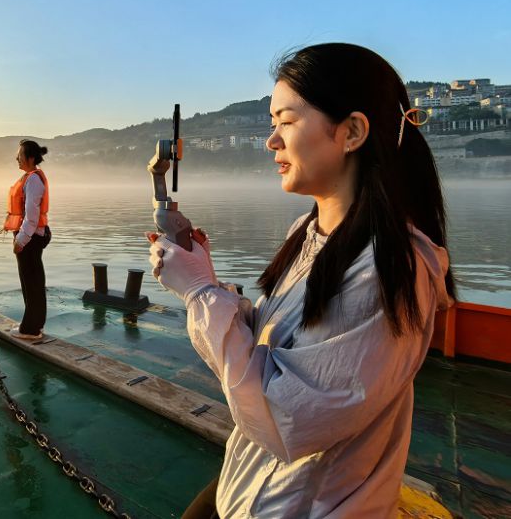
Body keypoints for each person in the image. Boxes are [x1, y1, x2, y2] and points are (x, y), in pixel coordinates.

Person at [148, 43, 455, 518]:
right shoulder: (307, 233)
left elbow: (286, 420)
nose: (271, 141)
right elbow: (280, 343)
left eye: (285, 122)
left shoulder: (391, 268)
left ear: (351, 132)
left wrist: (201, 294)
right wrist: (205, 277)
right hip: (251, 488)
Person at [3, 139, 52, 341]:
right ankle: (34, 325)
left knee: (31, 282)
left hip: (30, 237)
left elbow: (31, 216)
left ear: (30, 158)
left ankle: (30, 330)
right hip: (35, 235)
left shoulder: (33, 180)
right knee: (34, 282)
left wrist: (20, 240)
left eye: (20, 155)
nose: (17, 158)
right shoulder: (32, 177)